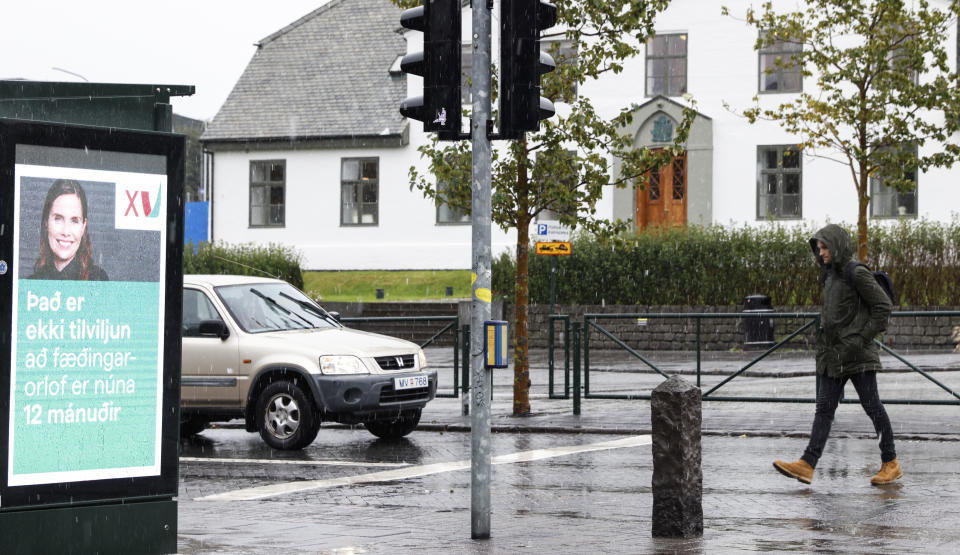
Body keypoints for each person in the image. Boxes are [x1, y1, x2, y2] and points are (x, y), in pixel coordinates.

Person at [773, 224, 901, 485]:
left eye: (824, 247)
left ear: (837, 246)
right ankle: (807, 465)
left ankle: (891, 463)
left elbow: (883, 306)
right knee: (824, 409)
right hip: (833, 354)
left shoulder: (856, 272)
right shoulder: (829, 275)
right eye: (818, 248)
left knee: (872, 407)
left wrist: (860, 339)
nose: (821, 253)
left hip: (857, 354)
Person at [29, 179, 109, 281]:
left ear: (83, 227)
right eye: (58, 218)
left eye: (74, 221)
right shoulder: (31, 283)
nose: (66, 232)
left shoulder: (98, 280)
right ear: (46, 222)